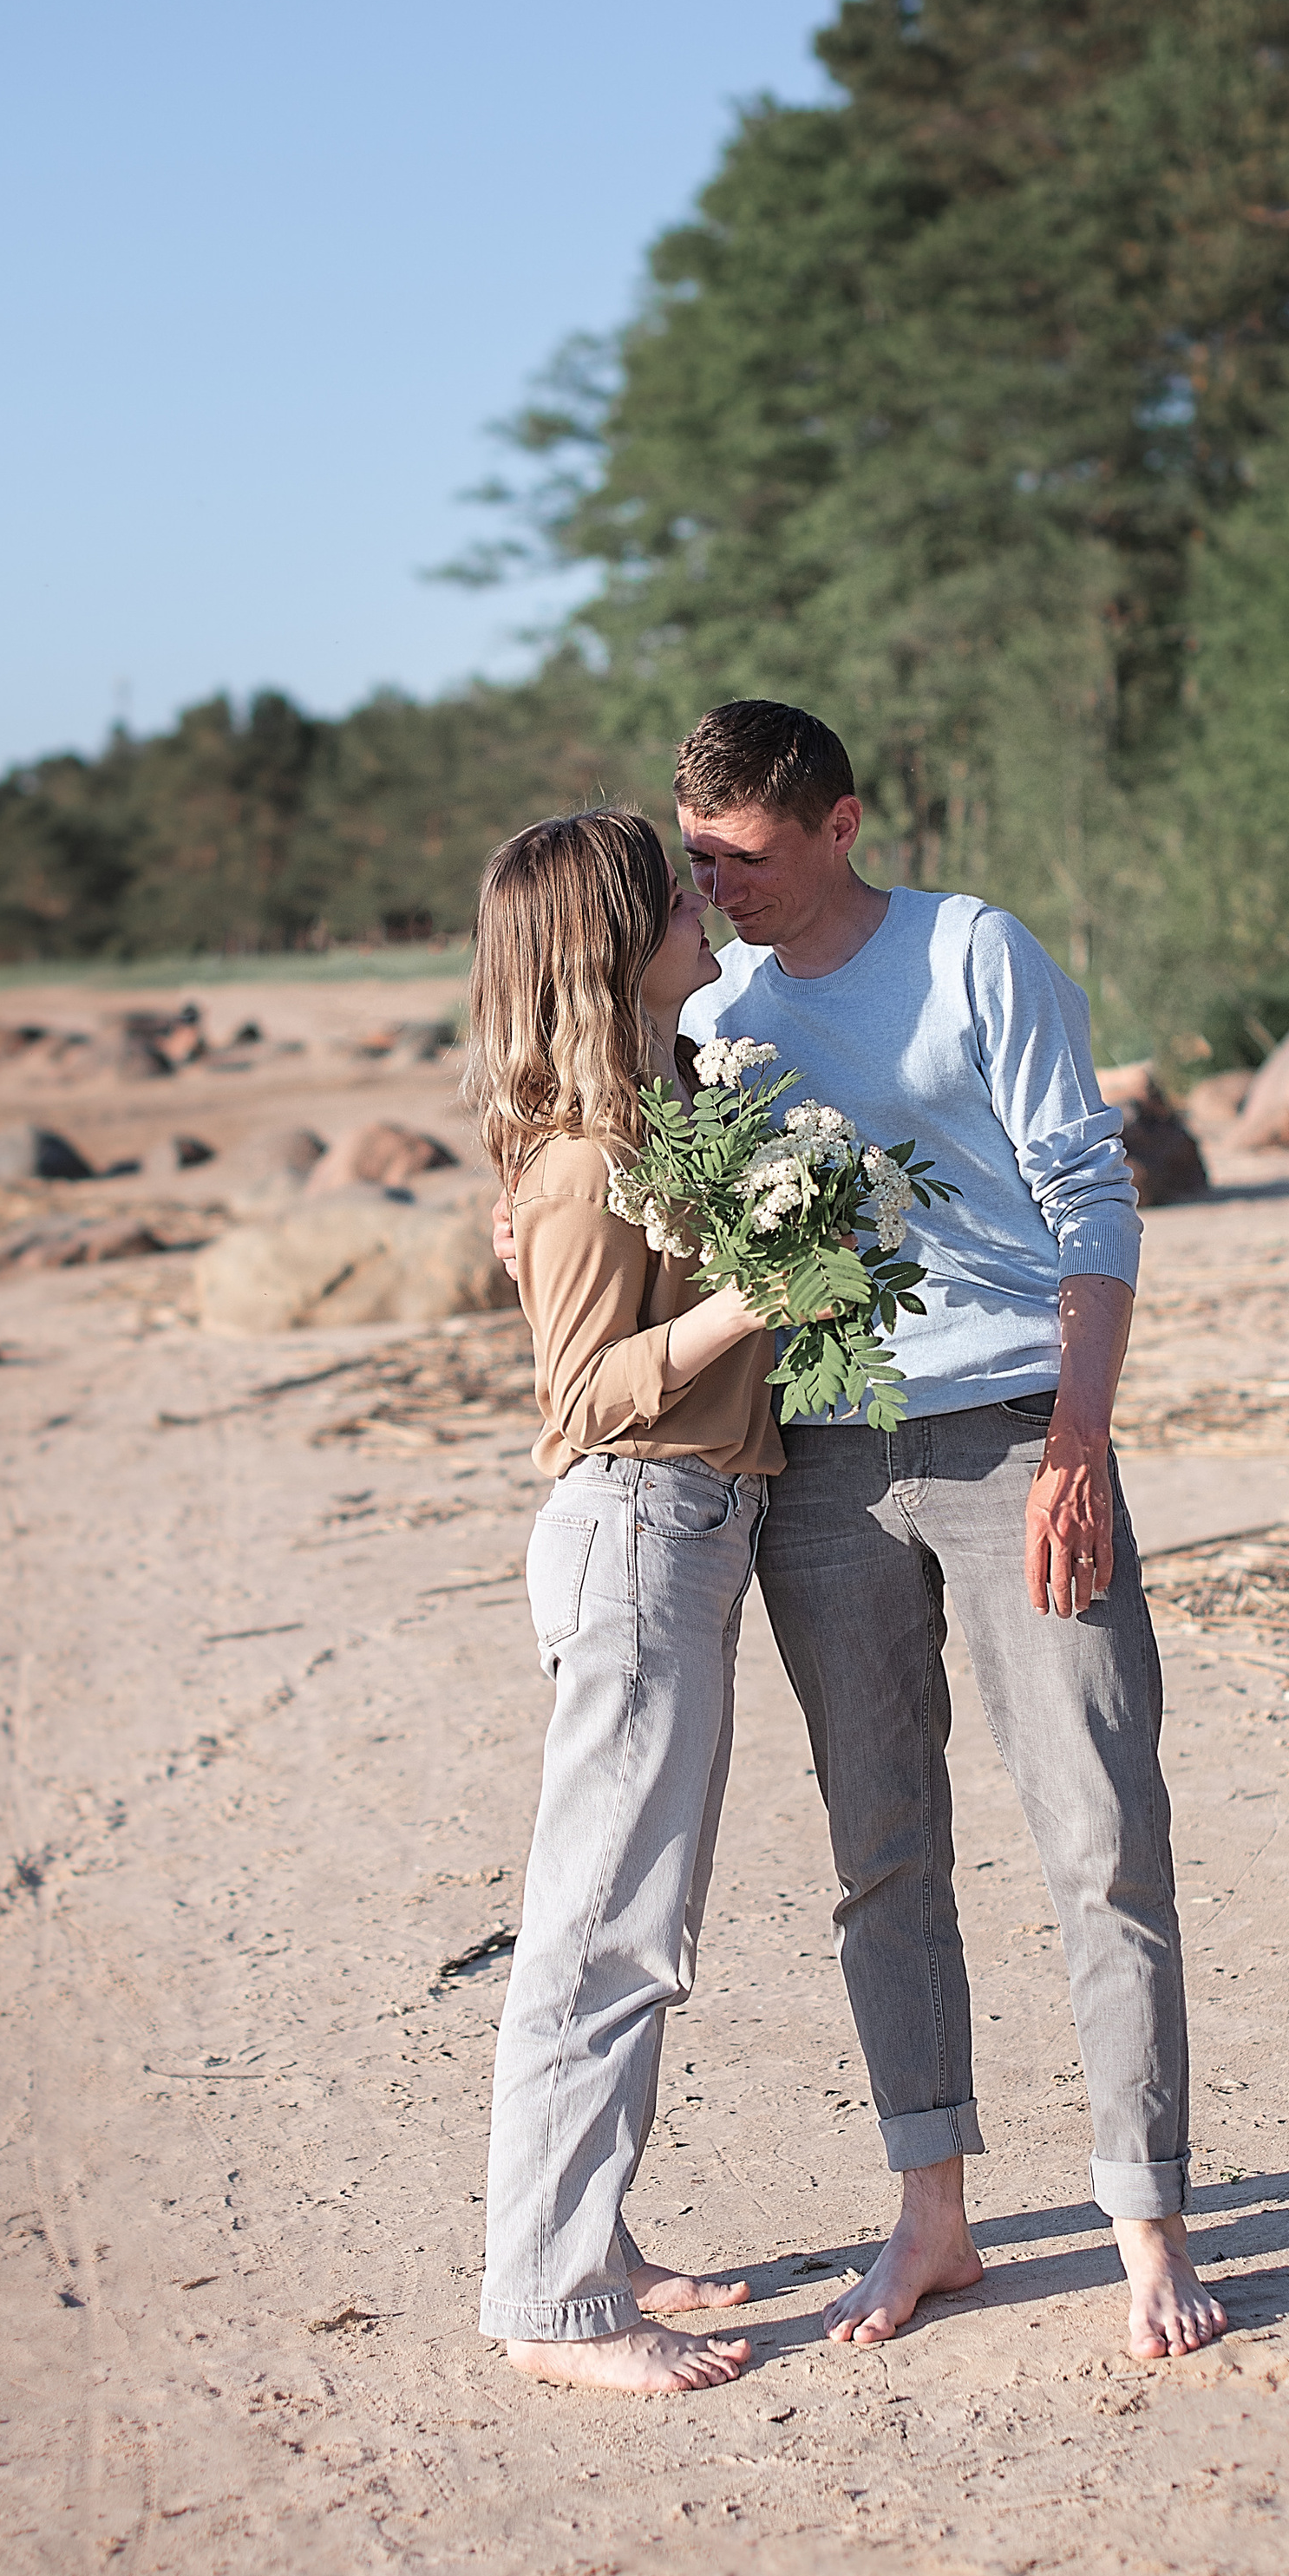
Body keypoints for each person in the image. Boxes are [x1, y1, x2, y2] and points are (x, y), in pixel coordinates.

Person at [671, 701, 1227, 2363]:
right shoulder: (715, 1011)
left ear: (840, 827)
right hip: (823, 1457)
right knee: (881, 1849)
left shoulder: (976, 953)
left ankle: (1150, 2222)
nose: (719, 890)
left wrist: (1078, 1439)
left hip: (1015, 1439)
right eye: (697, 860)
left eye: (746, 858)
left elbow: (1092, 1195)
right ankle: (937, 2218)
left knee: (1101, 1823)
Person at [464, 808, 780, 2394]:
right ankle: (553, 2304)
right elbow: (579, 1396)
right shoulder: (592, 1162)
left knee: (632, 1924)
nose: (703, 904)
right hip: (637, 1529)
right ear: (617, 941)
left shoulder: (653, 1117)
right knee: (600, 1935)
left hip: (683, 1533)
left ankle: (593, 2237)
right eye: (677, 893)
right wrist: (752, 1297)